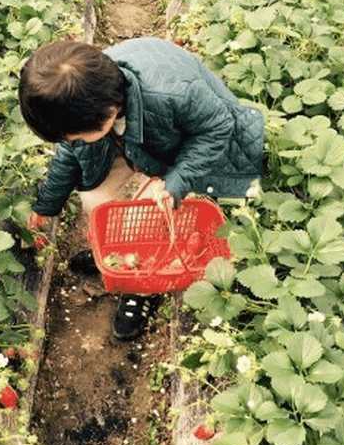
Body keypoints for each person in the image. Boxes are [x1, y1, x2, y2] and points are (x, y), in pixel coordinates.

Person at [18, 37, 264, 341]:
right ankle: (115, 258)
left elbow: (218, 128)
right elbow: (69, 154)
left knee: (154, 209)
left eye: (76, 137)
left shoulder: (174, 92)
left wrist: (176, 182)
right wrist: (45, 206)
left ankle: (144, 285)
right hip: (137, 141)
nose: (71, 144)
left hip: (189, 150)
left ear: (108, 114)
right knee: (98, 200)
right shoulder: (83, 94)